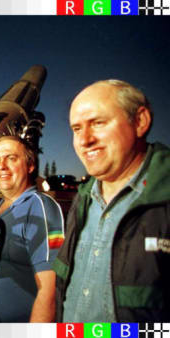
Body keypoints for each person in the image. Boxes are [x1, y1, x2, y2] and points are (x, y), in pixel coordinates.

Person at [55, 80, 170, 322]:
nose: (85, 140)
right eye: (76, 129)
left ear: (140, 122)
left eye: (98, 123)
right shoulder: (84, 200)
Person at [0, 136, 64, 322]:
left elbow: (50, 290)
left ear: (30, 166)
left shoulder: (41, 208)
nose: (2, 166)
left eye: (11, 158)